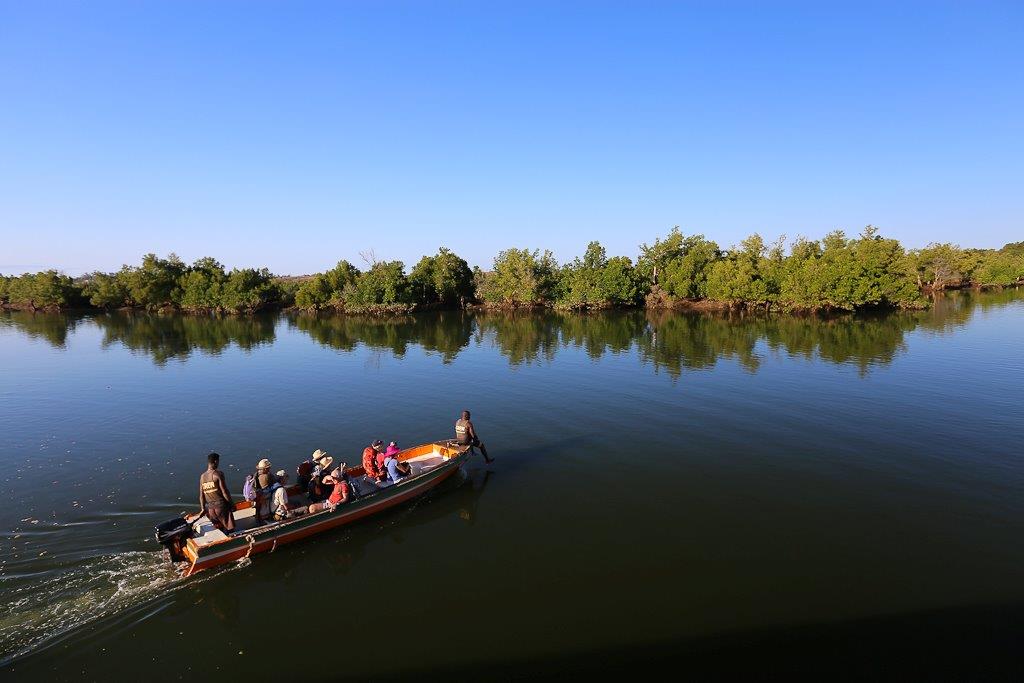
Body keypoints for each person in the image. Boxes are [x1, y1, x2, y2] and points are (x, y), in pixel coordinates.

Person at [199, 452, 235, 533]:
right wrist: (231, 504)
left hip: (211, 509)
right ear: (215, 461)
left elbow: (201, 495)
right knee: (230, 530)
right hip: (221, 507)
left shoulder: (202, 477)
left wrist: (203, 509)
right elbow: (224, 491)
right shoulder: (218, 474)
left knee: (219, 529)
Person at [254, 458, 274, 523]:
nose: (269, 469)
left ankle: (258, 518)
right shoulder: (267, 476)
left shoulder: (256, 474)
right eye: (268, 468)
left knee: (259, 509)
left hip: (258, 494)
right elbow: (272, 484)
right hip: (265, 495)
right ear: (265, 469)